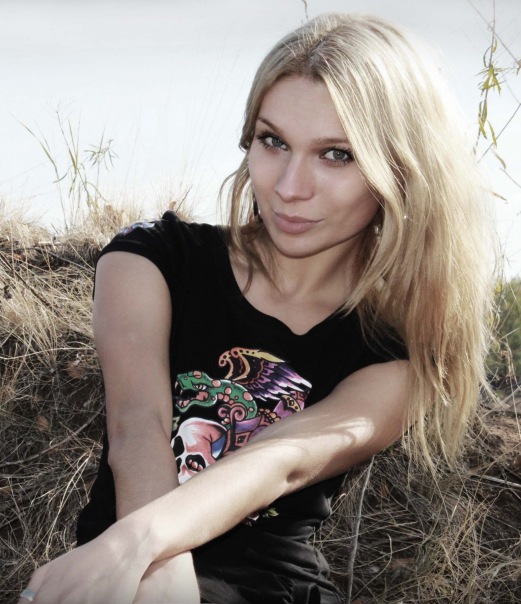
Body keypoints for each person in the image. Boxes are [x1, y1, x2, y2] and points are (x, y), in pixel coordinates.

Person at [19, 12, 494, 604]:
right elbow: (136, 423)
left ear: (398, 170)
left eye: (337, 154)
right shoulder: (154, 259)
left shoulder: (393, 355)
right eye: (274, 141)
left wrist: (138, 549)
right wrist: (158, 575)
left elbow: (282, 461)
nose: (290, 186)